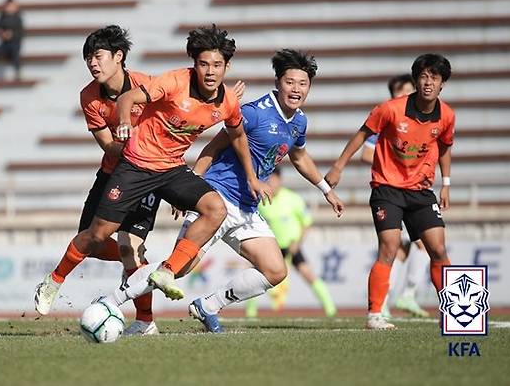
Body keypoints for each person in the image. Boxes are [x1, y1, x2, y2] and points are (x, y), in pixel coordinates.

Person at [101, 49, 344, 333]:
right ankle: (110, 302)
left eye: (302, 84)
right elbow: (212, 148)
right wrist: (188, 191)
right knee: (178, 268)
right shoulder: (253, 112)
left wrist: (325, 189)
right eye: (290, 82)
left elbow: (300, 157)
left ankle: (208, 306)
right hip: (217, 199)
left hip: (247, 208)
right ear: (278, 83)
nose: (296, 89)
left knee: (276, 270)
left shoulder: (299, 121)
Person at [39, 24, 269, 310]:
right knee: (96, 237)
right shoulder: (167, 83)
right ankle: (55, 279)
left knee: (212, 210)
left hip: (170, 170)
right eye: (204, 64)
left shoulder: (224, 100)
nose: (210, 71)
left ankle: (164, 277)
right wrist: (124, 124)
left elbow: (236, 134)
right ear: (194, 65)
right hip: (130, 167)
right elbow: (121, 114)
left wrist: (251, 177)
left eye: (217, 65)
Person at [33, 26, 165, 335]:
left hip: (148, 175)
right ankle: (53, 281)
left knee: (129, 248)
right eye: (88, 58)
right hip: (112, 173)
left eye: (98, 56)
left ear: (118, 57)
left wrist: (169, 179)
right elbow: (107, 145)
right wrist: (130, 144)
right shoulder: (89, 96)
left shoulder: (148, 86)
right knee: (91, 242)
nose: (93, 64)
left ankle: (145, 321)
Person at [325, 54, 454, 330]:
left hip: (421, 190)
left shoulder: (447, 115)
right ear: (416, 80)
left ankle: (454, 311)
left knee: (439, 249)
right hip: (387, 188)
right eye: (423, 76)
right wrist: (338, 167)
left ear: (442, 84)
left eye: (435, 77)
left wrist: (446, 183)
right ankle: (374, 315)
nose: (428, 82)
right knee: (389, 248)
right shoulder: (390, 109)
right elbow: (361, 134)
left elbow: (444, 146)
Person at [361, 74, 430, 319]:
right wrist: (395, 160)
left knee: (407, 246)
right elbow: (366, 155)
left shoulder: (420, 121)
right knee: (409, 244)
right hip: (390, 190)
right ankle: (402, 296)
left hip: (412, 190)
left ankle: (394, 298)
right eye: (401, 93)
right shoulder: (385, 120)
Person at [247, 167, 337, 318]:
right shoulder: (261, 200)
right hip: (270, 248)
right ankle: (250, 313)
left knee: (308, 274)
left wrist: (298, 243)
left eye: (274, 180)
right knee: (256, 277)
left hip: (292, 246)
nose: (271, 183)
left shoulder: (293, 199)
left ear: (280, 180)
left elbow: (306, 223)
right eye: (268, 180)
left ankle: (330, 309)